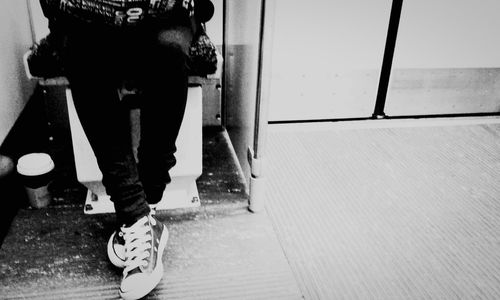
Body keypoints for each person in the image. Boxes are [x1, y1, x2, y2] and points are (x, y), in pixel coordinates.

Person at [38, 1, 213, 299]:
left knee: (169, 48)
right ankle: (135, 216)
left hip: (162, 18)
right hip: (86, 20)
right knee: (81, 53)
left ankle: (148, 201)